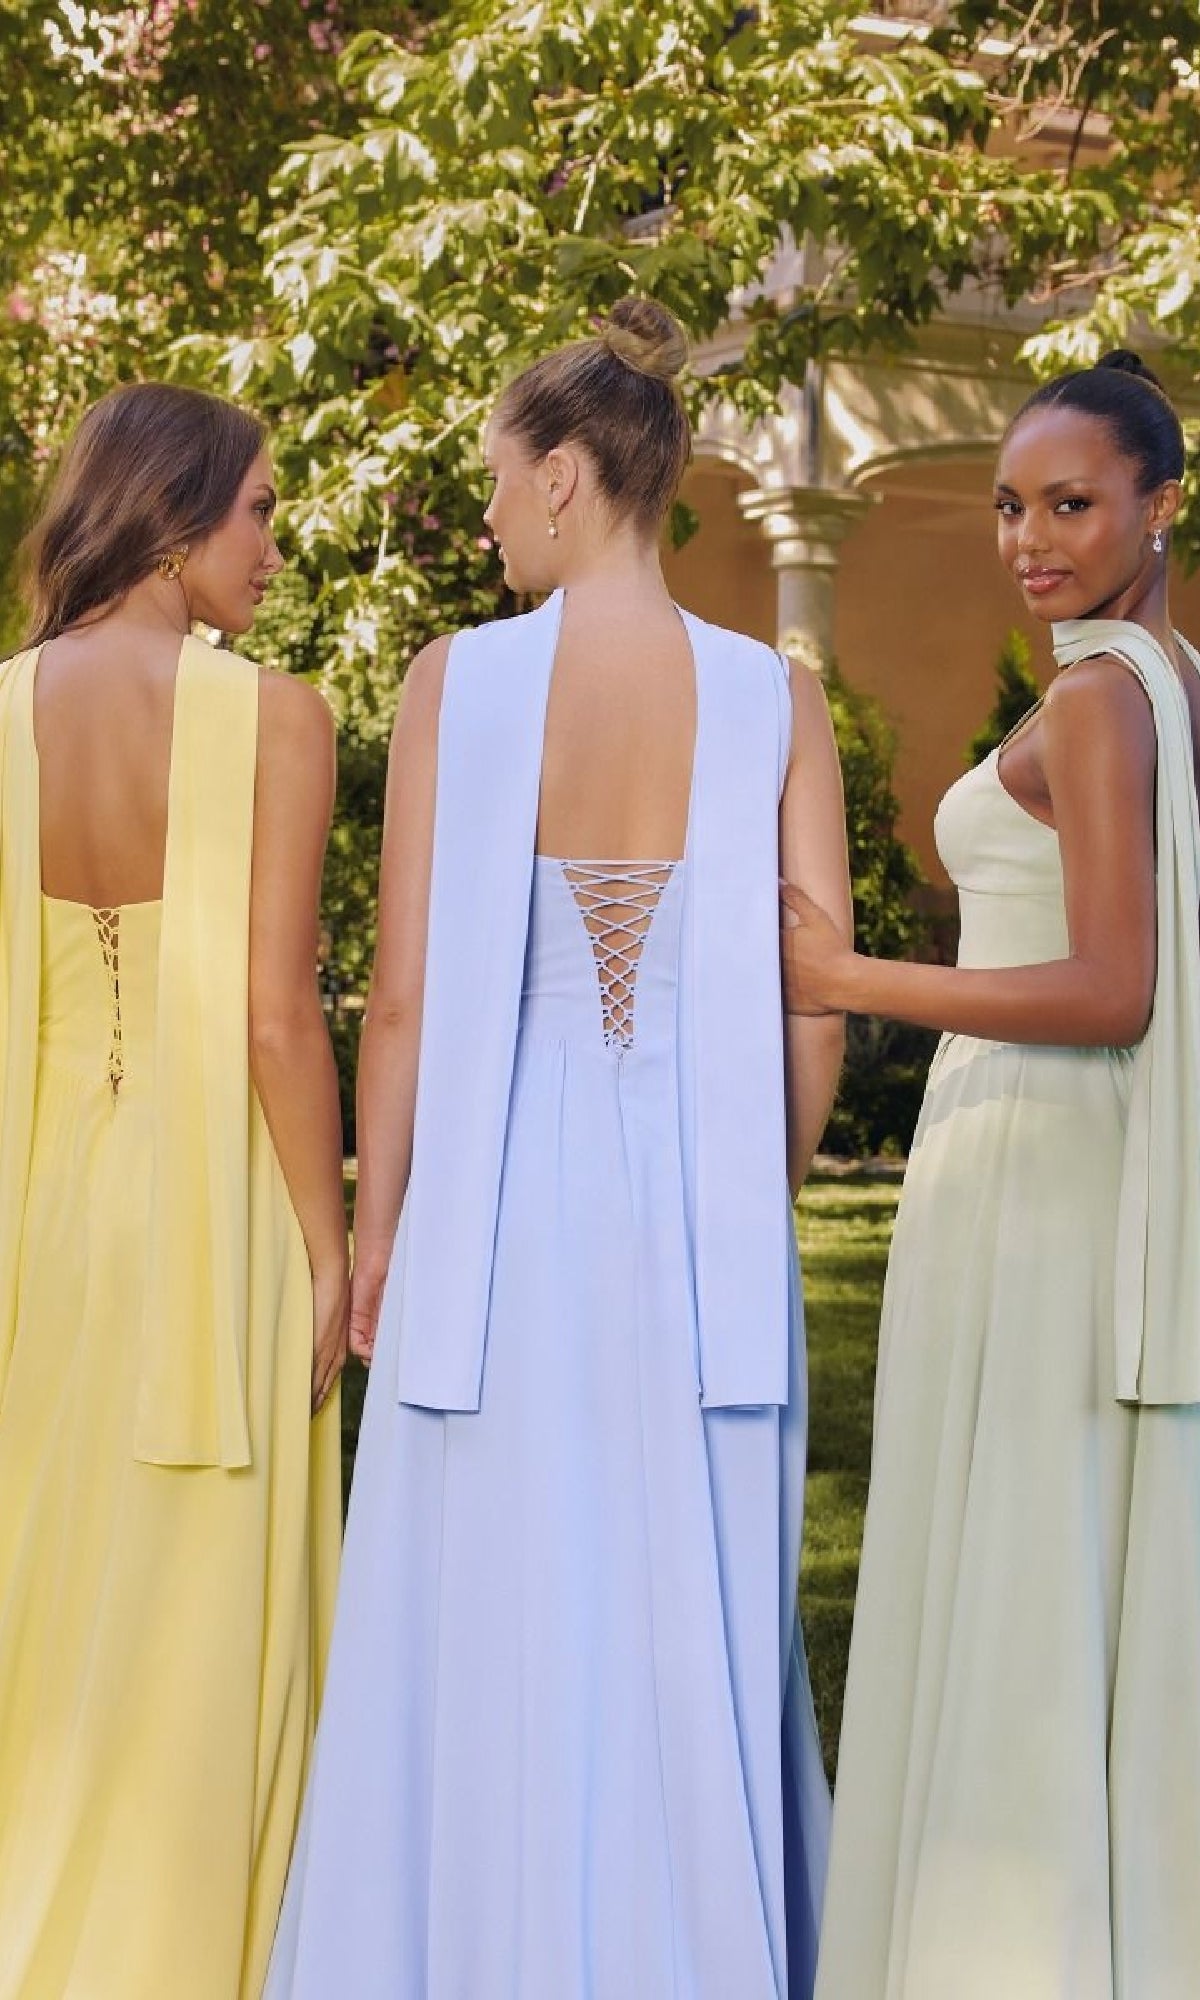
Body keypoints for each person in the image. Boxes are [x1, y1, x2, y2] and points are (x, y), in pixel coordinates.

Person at [265, 297, 851, 1999]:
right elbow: (816, 991)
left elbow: (401, 1003)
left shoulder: (461, 678)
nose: (493, 518)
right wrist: (775, 1174)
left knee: (499, 1584)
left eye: (505, 484)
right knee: (689, 1576)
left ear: (575, 476)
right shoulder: (775, 697)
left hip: (506, 1206)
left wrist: (382, 1229)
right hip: (698, 1207)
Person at [783, 351, 1200, 2000]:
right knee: (1052, 1537)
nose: (1030, 537)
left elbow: (1114, 989)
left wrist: (855, 977)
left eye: (1072, 503)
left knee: (1022, 1545)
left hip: (1037, 1156)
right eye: (1012, 505)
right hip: (1061, 1165)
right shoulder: (1162, 673)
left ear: (1163, 504)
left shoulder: (1102, 699)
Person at [0, 383, 346, 2000]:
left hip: (45, 1218)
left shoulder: (4, 711)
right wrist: (336, 1246)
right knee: (208, 1602)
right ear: (180, 508)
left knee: (49, 1576)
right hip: (217, 1216)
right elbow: (281, 1017)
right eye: (263, 510)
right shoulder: (278, 718)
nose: (277, 546)